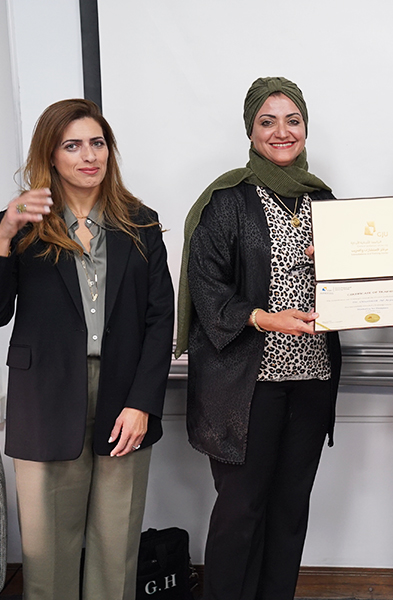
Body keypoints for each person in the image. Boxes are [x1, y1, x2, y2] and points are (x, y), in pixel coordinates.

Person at [0, 98, 174, 600]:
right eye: (72, 146)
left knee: (115, 548)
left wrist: (142, 403)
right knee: (47, 555)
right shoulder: (20, 224)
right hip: (45, 397)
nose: (89, 155)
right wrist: (4, 234)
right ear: (50, 156)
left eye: (97, 143)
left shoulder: (141, 223)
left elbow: (160, 320)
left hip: (124, 395)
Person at [175, 77, 341, 600]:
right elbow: (207, 286)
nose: (281, 131)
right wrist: (266, 319)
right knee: (240, 511)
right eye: (267, 121)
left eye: (293, 120)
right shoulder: (226, 200)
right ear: (250, 130)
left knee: (290, 511)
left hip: (311, 378)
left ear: (306, 127)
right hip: (248, 386)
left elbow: (353, 278)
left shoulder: (324, 199)